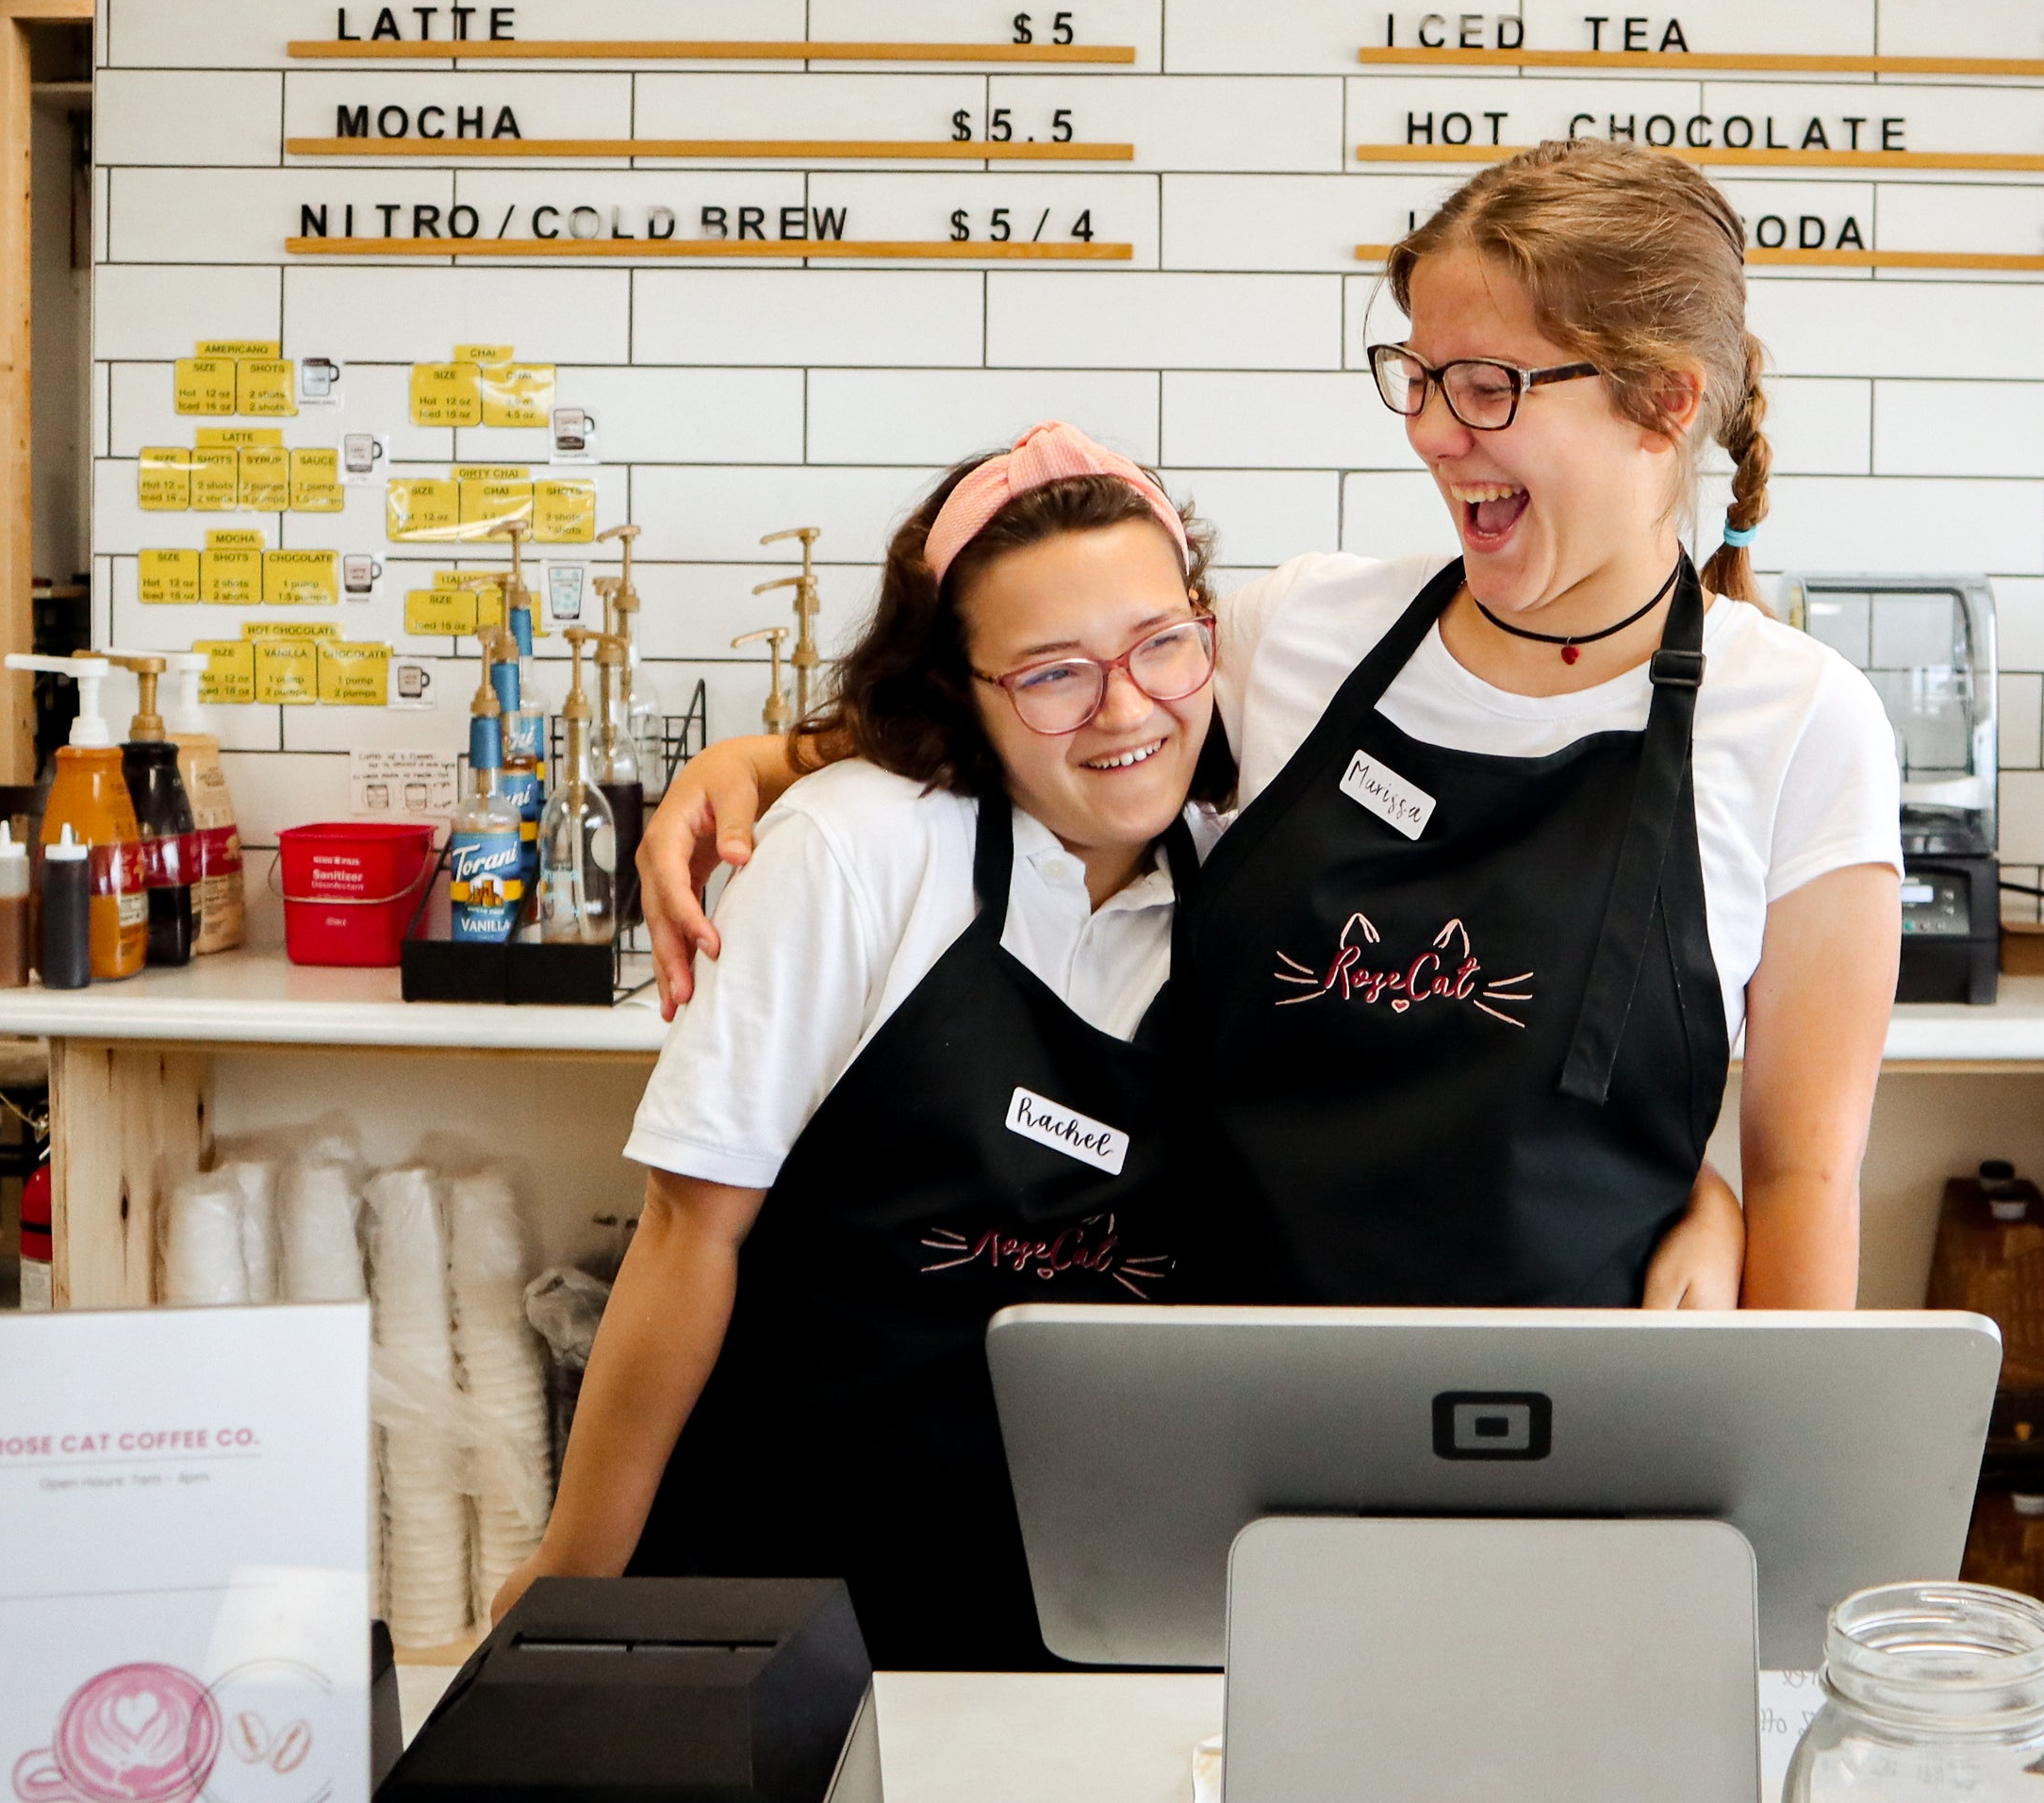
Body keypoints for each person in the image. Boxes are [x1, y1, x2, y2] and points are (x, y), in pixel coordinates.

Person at [496, 422, 1750, 1668]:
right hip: (787, 1581)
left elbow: (1446, 1088)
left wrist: (1704, 1192)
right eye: (1053, 674)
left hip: (1082, 1604)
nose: (1128, 710)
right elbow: (682, 1237)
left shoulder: (1248, 869)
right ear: (956, 687)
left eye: (1163, 645)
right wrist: (572, 1594)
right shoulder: (852, 851)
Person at [642, 141, 1901, 1312]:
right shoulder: (1306, 633)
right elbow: (1061, 725)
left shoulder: (1800, 725)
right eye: (1416, 377)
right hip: (1231, 1411)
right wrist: (753, 762)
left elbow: (1805, 1176)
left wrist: (1777, 1500)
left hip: (1585, 1439)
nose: (1428, 431)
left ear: (1664, 402)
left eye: (1484, 386)